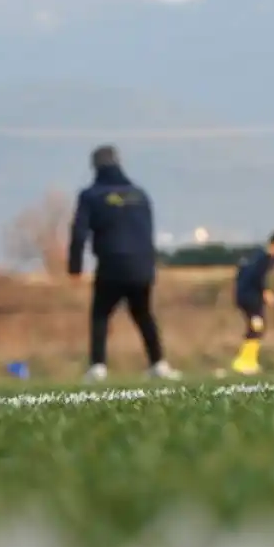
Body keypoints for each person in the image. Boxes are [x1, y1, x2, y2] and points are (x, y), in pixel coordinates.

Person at [69, 145, 178, 381]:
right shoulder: (140, 194)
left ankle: (98, 366)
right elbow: (147, 231)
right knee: (143, 313)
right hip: (142, 266)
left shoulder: (91, 196)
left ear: (95, 167)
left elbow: (79, 234)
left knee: (100, 314)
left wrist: (75, 268)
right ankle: (158, 363)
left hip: (111, 265)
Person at [231, 231, 274, 375]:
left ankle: (249, 361)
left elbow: (242, 271)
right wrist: (266, 292)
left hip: (245, 296)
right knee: (256, 328)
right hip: (250, 298)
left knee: (257, 328)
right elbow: (258, 276)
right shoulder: (266, 258)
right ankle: (244, 362)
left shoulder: (258, 256)